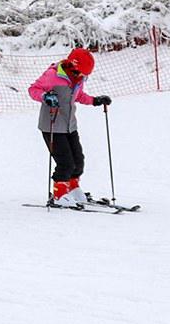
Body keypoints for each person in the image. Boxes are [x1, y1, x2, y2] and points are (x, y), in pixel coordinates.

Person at [29, 47, 112, 207]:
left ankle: (73, 189)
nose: (82, 77)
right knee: (65, 162)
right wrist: (45, 96)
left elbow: (78, 96)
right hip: (52, 125)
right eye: (80, 73)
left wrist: (95, 100)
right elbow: (33, 89)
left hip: (69, 125)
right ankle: (59, 194)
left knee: (78, 160)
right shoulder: (53, 75)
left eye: (85, 75)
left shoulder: (78, 79)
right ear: (72, 67)